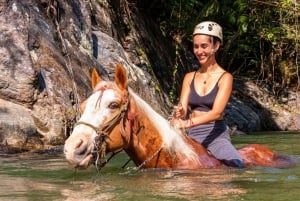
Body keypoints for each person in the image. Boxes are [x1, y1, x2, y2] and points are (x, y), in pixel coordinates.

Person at [172, 21, 244, 168]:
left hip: (216, 135)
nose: (199, 51)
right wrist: (178, 113)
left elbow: (217, 113)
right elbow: (182, 109)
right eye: (196, 46)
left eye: (204, 46)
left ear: (215, 46)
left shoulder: (225, 77)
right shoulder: (188, 77)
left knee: (237, 164)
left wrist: (186, 123)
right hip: (192, 134)